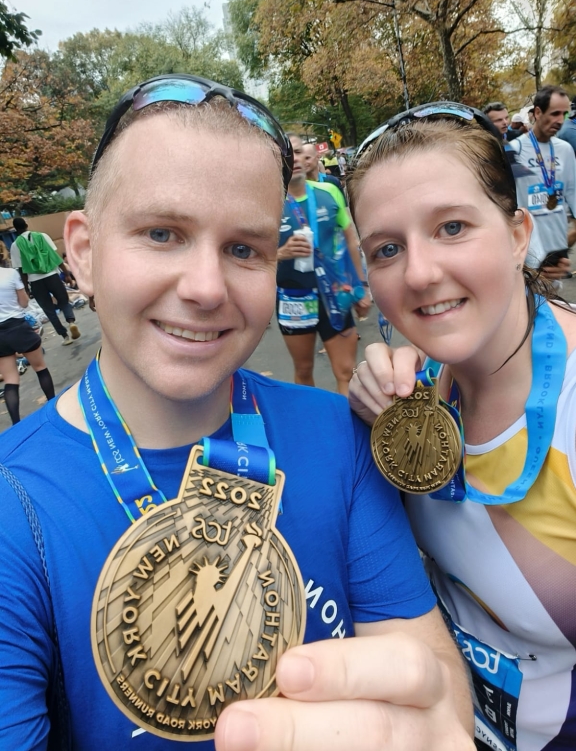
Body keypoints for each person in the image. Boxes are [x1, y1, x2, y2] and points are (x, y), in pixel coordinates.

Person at [0, 76, 473, 750]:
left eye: (245, 249)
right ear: (82, 252)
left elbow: (433, 689)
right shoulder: (14, 513)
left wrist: (431, 721)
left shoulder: (338, 440)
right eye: (162, 233)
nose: (204, 288)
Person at [344, 102, 576, 750]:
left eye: (451, 227)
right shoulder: (413, 391)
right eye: (387, 248)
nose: (418, 273)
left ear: (518, 232)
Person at [277, 134, 370, 394]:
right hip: (294, 298)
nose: (293, 159)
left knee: (345, 370)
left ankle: (345, 429)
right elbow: (253, 257)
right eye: (287, 153)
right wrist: (281, 253)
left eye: (297, 152)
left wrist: (362, 286)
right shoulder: (269, 203)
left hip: (336, 293)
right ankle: (313, 428)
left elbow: (351, 240)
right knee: (304, 371)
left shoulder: (329, 191)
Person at [509, 85, 576, 281]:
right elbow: (505, 204)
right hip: (526, 254)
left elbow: (572, 194)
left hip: (557, 254)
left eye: (564, 114)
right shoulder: (515, 150)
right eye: (554, 113)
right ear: (537, 112)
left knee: (554, 308)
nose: (560, 121)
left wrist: (568, 242)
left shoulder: (565, 150)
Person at [10, 218, 81, 345]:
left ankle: (65, 336)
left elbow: (21, 270)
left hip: (35, 282)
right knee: (63, 300)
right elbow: (55, 257)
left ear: (15, 229)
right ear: (26, 225)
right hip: (52, 276)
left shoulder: (15, 246)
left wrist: (26, 288)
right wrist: (66, 274)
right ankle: (71, 322)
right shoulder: (42, 236)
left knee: (49, 310)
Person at [0, 265, 55, 424]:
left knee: (11, 380)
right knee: (40, 368)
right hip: (17, 327)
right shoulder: (10, 274)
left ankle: (16, 424)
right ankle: (52, 406)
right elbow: (24, 303)